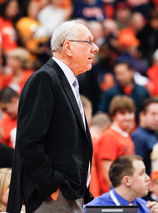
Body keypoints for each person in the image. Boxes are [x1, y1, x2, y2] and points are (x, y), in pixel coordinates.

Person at [7, 20, 99, 213]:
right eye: (88, 42)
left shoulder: (67, 81)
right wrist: (52, 187)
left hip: (69, 194)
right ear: (68, 47)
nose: (96, 48)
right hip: (52, 199)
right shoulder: (46, 78)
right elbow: (29, 141)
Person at [84, 155, 158, 213]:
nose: (147, 178)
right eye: (141, 173)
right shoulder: (95, 208)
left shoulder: (147, 208)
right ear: (127, 181)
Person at [97, 95, 136, 195]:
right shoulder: (110, 136)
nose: (127, 117)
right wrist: (117, 193)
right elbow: (107, 170)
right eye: (122, 113)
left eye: (130, 113)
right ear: (114, 116)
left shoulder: (126, 135)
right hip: (112, 194)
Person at [131, 99, 158, 176]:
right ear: (142, 116)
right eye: (153, 114)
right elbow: (137, 168)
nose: (157, 119)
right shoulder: (139, 137)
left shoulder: (154, 134)